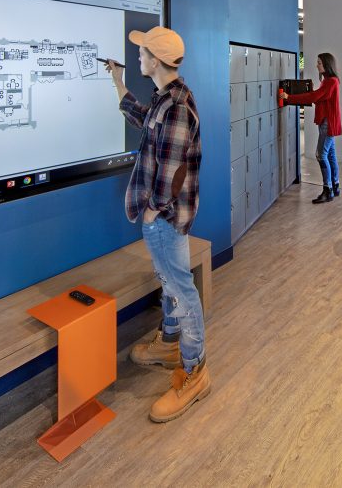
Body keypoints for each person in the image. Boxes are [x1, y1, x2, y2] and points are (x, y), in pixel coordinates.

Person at [105, 26, 209, 423]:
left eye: (142, 53)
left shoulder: (178, 107)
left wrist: (152, 209)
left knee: (181, 288)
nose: (137, 58)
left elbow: (173, 169)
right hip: (160, 217)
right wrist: (117, 82)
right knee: (170, 281)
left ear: (156, 60)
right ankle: (169, 343)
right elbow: (142, 119)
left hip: (164, 218)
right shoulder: (166, 99)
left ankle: (195, 370)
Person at [279, 52, 341, 204]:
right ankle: (335, 185)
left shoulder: (331, 81)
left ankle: (328, 190)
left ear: (327, 64)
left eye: (319, 62)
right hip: (326, 122)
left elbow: (314, 97)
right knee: (330, 155)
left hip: (328, 124)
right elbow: (318, 97)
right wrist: (312, 92)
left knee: (321, 155)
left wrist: (289, 97)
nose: (317, 65)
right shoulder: (328, 81)